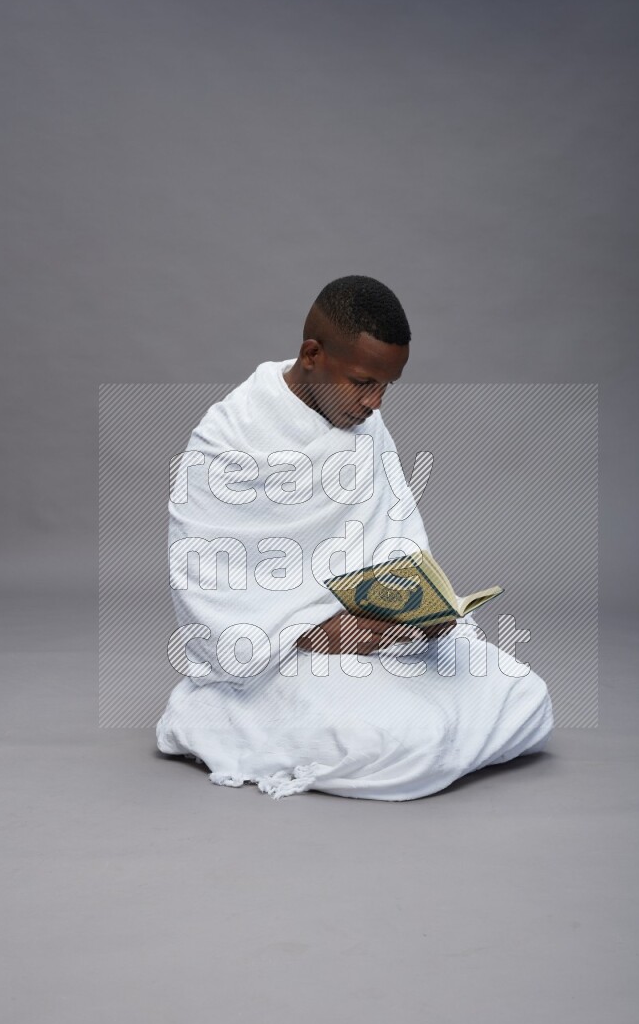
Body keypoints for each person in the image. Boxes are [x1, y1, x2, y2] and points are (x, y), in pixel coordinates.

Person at [156, 275, 553, 799]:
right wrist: (324, 631)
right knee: (412, 741)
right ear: (312, 355)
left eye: (387, 386)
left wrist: (422, 615)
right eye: (364, 382)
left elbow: (396, 545)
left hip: (376, 635)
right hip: (279, 656)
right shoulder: (227, 438)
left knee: (526, 697)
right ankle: (212, 711)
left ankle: (404, 706)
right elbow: (211, 594)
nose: (376, 403)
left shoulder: (364, 426)